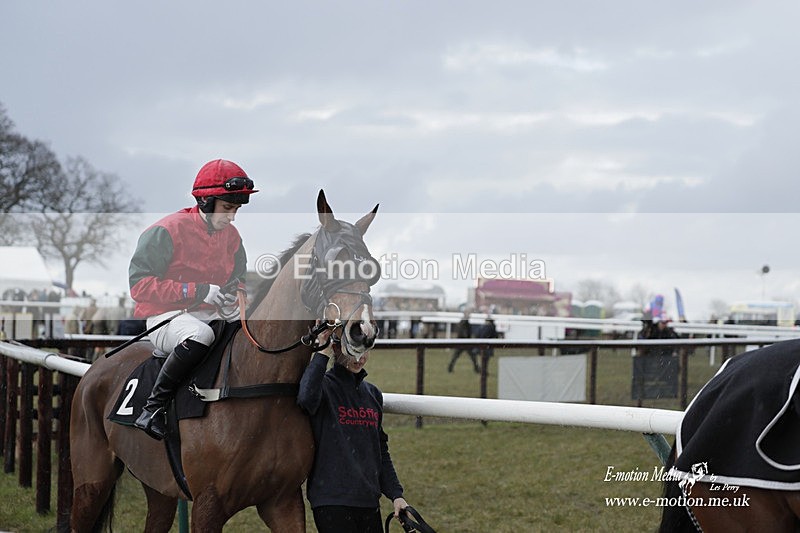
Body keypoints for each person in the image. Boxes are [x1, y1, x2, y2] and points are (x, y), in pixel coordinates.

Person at [129, 159, 257, 440]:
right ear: (206, 201)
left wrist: (235, 297)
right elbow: (139, 286)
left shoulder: (232, 237)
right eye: (227, 208)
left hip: (212, 314)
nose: (232, 217)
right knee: (200, 335)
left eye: (236, 209)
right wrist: (197, 291)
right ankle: (153, 409)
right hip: (166, 318)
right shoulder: (166, 231)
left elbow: (239, 280)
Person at [297, 345, 410, 533]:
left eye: (364, 351)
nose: (359, 358)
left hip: (368, 501)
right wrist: (322, 353)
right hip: (331, 501)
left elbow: (380, 449)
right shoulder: (323, 387)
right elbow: (305, 398)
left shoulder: (372, 395)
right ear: (336, 348)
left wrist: (396, 495)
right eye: (352, 352)